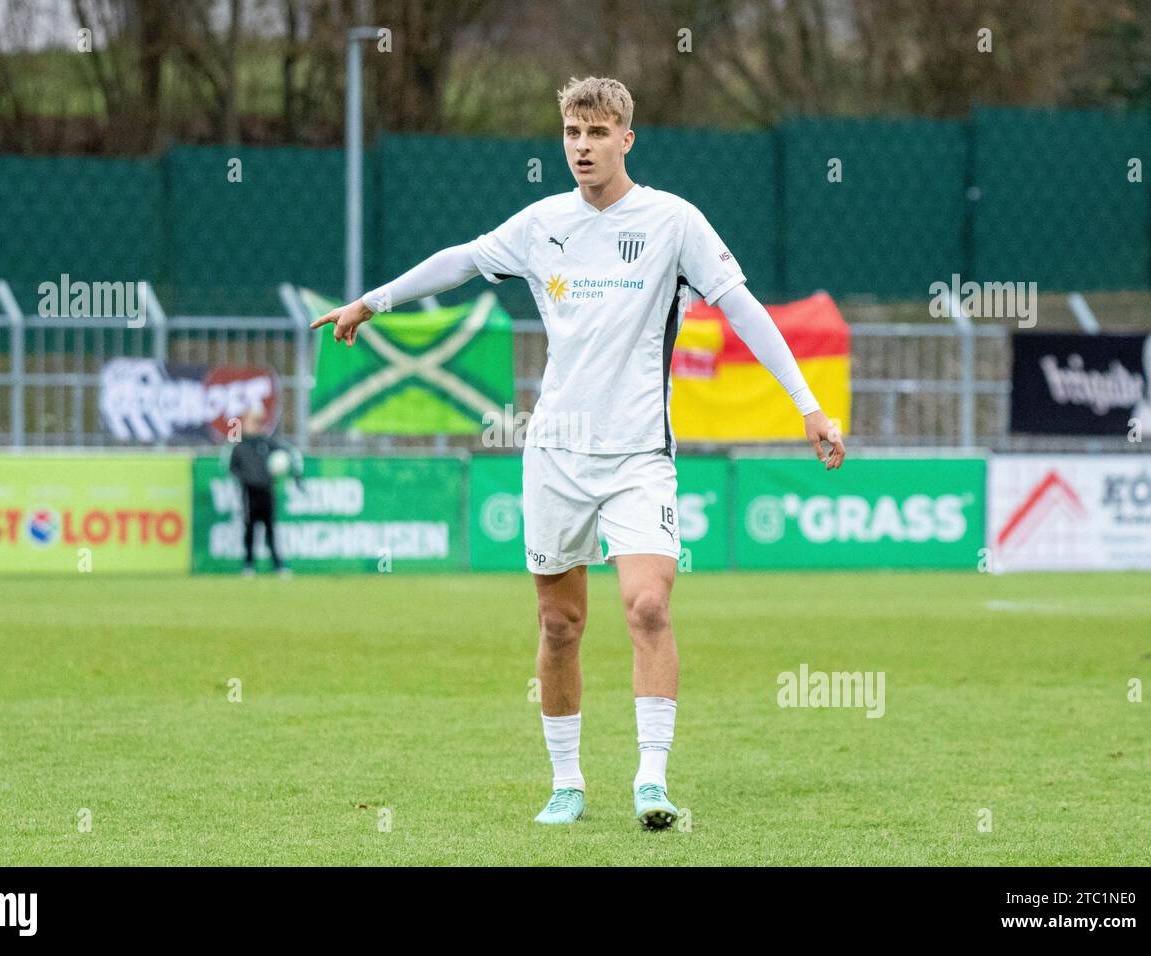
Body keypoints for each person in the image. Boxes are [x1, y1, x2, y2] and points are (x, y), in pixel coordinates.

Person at [311, 76, 845, 829]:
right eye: (571, 133)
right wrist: (373, 302)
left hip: (637, 455)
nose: (583, 147)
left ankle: (651, 782)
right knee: (559, 626)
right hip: (555, 454)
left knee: (649, 606)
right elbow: (461, 261)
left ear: (627, 138)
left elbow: (743, 310)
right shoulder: (541, 224)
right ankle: (567, 783)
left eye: (597, 133)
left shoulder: (672, 222)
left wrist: (810, 409)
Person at [223, 407, 301, 577]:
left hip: (267, 491)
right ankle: (249, 564)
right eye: (251, 422)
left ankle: (278, 564)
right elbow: (233, 468)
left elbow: (288, 456)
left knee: (270, 528)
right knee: (250, 528)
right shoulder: (239, 447)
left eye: (257, 423)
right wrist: (247, 478)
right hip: (249, 493)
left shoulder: (268, 443)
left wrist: (295, 475)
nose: (253, 426)